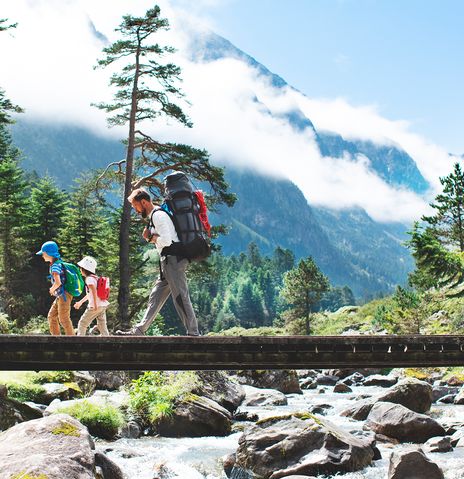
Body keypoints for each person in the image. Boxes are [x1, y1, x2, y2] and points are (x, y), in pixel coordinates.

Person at [116, 188, 200, 336]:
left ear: (143, 202)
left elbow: (167, 241)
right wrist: (152, 238)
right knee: (155, 297)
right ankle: (139, 330)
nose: (136, 210)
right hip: (167, 262)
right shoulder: (156, 215)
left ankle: (193, 333)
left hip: (173, 260)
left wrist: (150, 238)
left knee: (180, 296)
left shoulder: (158, 216)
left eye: (136, 206)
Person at [36, 241, 75, 336]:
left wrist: (52, 289)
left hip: (64, 295)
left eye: (43, 253)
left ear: (49, 254)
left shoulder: (55, 266)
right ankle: (56, 338)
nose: (42, 256)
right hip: (60, 295)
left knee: (64, 319)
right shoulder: (56, 264)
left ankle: (73, 340)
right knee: (51, 316)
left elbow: (58, 282)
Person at [74, 256, 110, 336]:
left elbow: (93, 290)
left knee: (83, 323)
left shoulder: (89, 279)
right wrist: (80, 302)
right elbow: (89, 294)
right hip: (102, 305)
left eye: (81, 268)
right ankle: (107, 341)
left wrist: (94, 305)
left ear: (84, 269)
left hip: (95, 306)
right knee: (102, 325)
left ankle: (79, 341)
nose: (80, 270)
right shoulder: (95, 278)